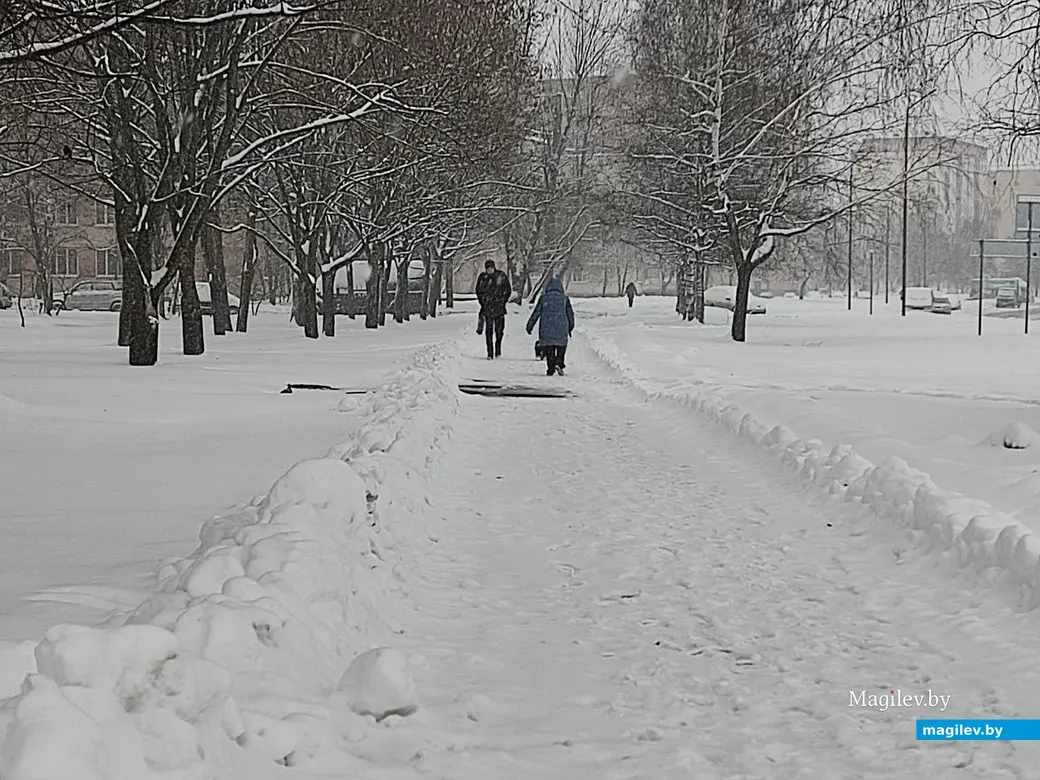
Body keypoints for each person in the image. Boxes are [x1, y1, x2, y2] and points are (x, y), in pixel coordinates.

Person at [526, 277, 574, 376]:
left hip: (546, 327)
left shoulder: (544, 298)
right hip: (561, 327)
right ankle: (559, 363)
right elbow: (570, 314)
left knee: (549, 348)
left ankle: (551, 368)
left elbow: (536, 313)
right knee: (561, 346)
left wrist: (530, 325)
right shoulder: (564, 299)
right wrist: (570, 326)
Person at [475, 260, 511, 359]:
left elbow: (507, 290)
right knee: (488, 332)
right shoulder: (483, 278)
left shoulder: (501, 276)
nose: (489, 270)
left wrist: (502, 301)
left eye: (491, 268)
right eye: (488, 268)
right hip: (488, 309)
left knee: (499, 331)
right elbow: (478, 291)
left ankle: (498, 349)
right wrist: (483, 302)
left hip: (499, 309)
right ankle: (490, 353)